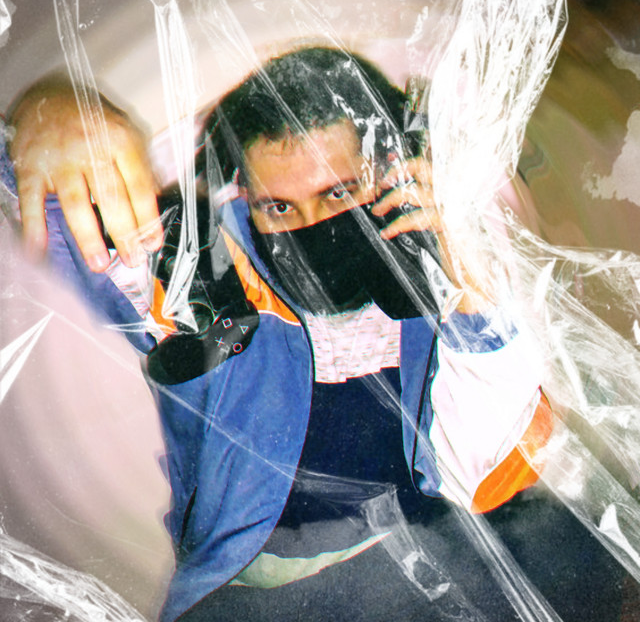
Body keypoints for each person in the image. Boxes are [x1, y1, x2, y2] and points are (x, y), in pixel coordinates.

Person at [1, 46, 630, 621]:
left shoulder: (439, 271)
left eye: (338, 194)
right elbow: (69, 218)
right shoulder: (200, 277)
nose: (311, 224)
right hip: (272, 599)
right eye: (279, 207)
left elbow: (487, 473)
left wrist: (467, 287)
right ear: (243, 195)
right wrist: (48, 114)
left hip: (455, 555)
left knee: (583, 548)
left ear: (388, 171)